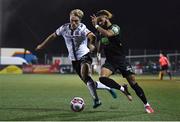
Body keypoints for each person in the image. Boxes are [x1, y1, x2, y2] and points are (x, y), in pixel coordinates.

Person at [36, 9, 118, 108]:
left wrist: (91, 44)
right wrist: (42, 45)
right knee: (88, 81)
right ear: (70, 19)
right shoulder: (64, 28)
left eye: (76, 21)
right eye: (72, 20)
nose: (74, 23)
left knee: (85, 75)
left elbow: (92, 36)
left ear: (80, 21)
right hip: (74, 60)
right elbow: (53, 36)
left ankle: (96, 100)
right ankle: (107, 88)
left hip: (85, 56)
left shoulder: (82, 28)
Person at [91, 10, 154, 113]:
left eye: (100, 20)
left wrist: (96, 26)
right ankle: (122, 89)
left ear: (107, 17)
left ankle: (146, 105)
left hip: (121, 60)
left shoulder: (115, 27)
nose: (99, 22)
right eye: (98, 21)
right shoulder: (100, 31)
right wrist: (97, 54)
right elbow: (100, 43)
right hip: (110, 61)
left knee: (133, 83)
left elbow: (108, 34)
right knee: (102, 78)